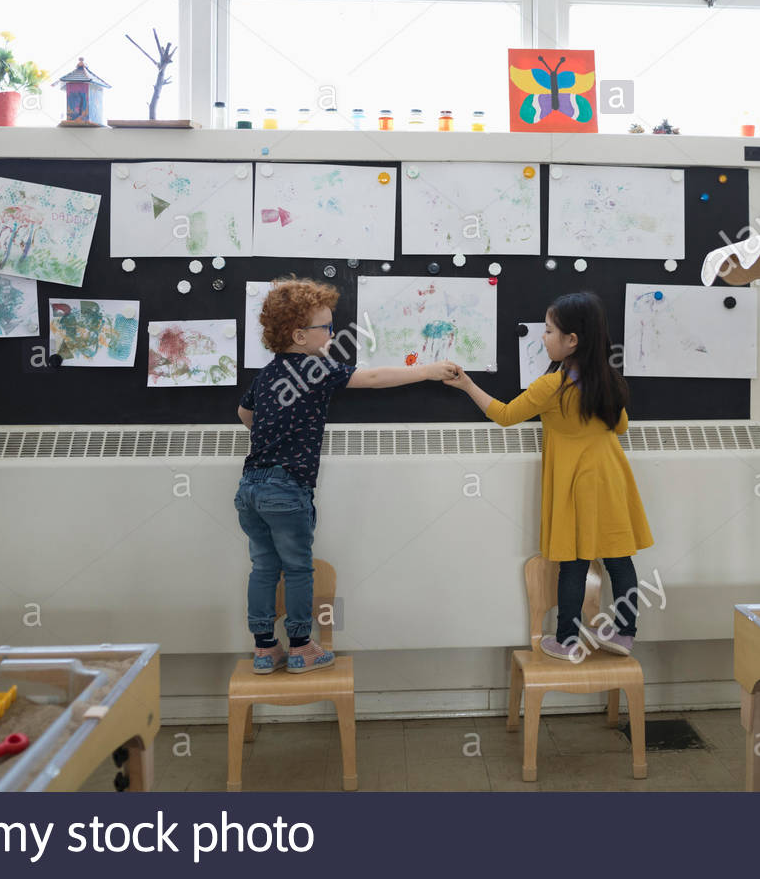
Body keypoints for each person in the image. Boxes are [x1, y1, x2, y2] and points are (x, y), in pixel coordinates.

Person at [237, 277, 457, 673]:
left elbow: (244, 415)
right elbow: (371, 379)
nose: (333, 334)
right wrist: (427, 371)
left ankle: (265, 649)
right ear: (300, 335)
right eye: (327, 327)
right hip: (287, 488)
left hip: (250, 487)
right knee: (300, 568)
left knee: (264, 568)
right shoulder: (317, 369)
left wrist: (273, 429)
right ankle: (302, 646)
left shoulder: (267, 375)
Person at [444, 292, 653, 661]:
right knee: (619, 560)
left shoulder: (551, 387)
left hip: (576, 484)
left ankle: (567, 638)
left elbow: (505, 414)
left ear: (572, 340)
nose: (543, 337)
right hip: (612, 479)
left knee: (572, 563)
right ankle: (625, 634)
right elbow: (619, 427)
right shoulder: (611, 381)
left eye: (550, 330)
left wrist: (466, 386)